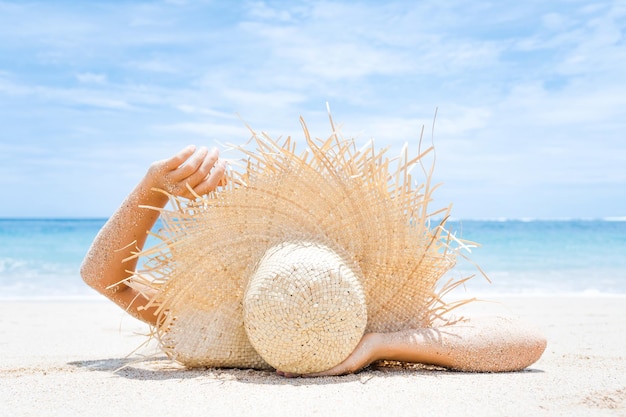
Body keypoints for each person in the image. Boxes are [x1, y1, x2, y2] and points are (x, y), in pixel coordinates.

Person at [81, 145, 547, 377]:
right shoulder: (366, 322)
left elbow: (104, 278)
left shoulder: (210, 320)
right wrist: (381, 343)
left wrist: (152, 191)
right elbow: (527, 340)